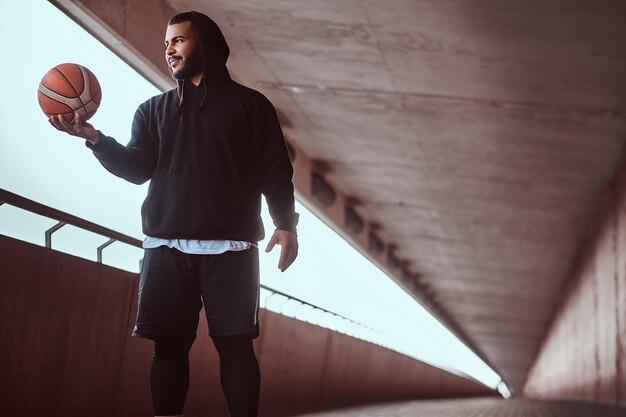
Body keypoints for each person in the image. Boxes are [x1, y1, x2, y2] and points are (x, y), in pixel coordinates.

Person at [48, 10, 299, 417]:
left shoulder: (251, 106)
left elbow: (275, 170)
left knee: (235, 348)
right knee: (168, 349)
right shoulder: (152, 111)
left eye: (179, 40)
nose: (169, 49)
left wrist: (285, 224)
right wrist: (94, 139)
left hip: (232, 249)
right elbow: (136, 168)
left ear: (208, 45)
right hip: (165, 249)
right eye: (166, 42)